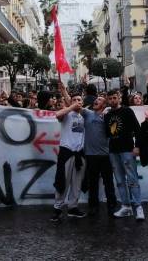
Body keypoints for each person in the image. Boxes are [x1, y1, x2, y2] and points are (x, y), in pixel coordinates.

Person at [105, 89, 145, 220]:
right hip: (113, 151)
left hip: (127, 149)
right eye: (110, 98)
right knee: (120, 180)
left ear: (119, 98)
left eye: (114, 98)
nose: (112, 100)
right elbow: (107, 133)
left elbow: (138, 129)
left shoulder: (127, 111)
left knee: (132, 178)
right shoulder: (107, 115)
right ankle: (126, 206)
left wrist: (137, 146)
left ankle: (138, 206)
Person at [51, 93, 87, 221]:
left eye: (79, 100)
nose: (77, 101)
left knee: (77, 183)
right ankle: (57, 208)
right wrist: (71, 106)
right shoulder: (67, 114)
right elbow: (57, 115)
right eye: (74, 100)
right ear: (70, 102)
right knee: (62, 181)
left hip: (79, 153)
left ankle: (73, 207)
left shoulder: (84, 116)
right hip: (67, 152)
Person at [82, 97, 117, 216]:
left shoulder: (108, 116)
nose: (96, 101)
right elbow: (74, 106)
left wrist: (108, 116)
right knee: (92, 183)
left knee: (108, 183)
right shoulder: (87, 113)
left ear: (104, 104)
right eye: (96, 99)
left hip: (105, 155)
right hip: (91, 155)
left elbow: (114, 131)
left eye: (100, 100)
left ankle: (111, 206)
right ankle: (93, 207)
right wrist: (63, 91)